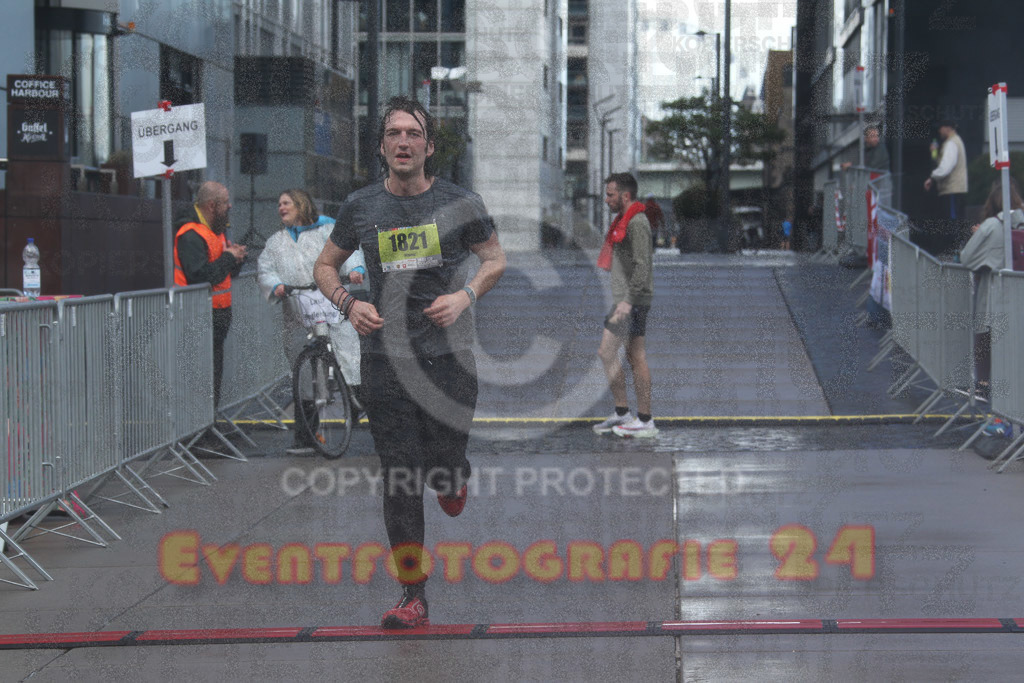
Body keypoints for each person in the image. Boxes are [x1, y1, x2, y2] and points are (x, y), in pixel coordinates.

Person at [313, 96, 506, 629]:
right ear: (381, 147)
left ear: (428, 146)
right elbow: (325, 265)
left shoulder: (460, 202)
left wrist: (465, 295)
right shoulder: (361, 207)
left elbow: (495, 259)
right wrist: (348, 304)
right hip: (386, 362)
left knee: (441, 467)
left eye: (412, 134)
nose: (403, 142)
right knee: (399, 479)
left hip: (448, 361)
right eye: (394, 134)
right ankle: (412, 594)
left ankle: (452, 476)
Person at [257, 188, 367, 455]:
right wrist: (275, 286)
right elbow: (265, 268)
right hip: (298, 311)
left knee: (351, 359)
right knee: (302, 372)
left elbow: (348, 250)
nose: (281, 207)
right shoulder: (276, 241)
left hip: (332, 302)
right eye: (279, 204)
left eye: (286, 203)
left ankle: (364, 407)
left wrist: (355, 269)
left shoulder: (326, 229)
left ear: (300, 204)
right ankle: (307, 437)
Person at [173, 181, 247, 410]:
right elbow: (200, 276)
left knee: (212, 376)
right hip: (198, 315)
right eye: (226, 203)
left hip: (217, 314)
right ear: (212, 206)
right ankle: (199, 431)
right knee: (201, 379)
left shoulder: (216, 231)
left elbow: (224, 273)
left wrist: (236, 259)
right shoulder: (191, 234)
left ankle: (207, 425)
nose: (230, 206)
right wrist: (228, 259)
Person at [593, 172, 657, 438]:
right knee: (630, 355)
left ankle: (644, 420)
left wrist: (628, 302)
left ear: (625, 195)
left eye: (610, 194)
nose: (606, 200)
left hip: (632, 301)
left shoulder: (637, 222)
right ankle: (625, 413)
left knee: (614, 353)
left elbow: (644, 265)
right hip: (628, 301)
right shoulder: (624, 220)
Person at [959, 179, 1024, 404]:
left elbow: (966, 257)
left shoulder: (991, 226)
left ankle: (984, 386)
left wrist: (979, 236)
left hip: (993, 294)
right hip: (1019, 292)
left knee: (985, 338)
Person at [921, 120, 969, 257]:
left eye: (941, 128)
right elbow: (942, 164)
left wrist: (932, 177)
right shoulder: (954, 142)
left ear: (948, 128)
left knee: (952, 221)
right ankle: (953, 251)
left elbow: (945, 168)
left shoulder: (951, 143)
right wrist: (934, 153)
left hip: (952, 189)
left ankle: (954, 252)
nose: (939, 131)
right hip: (952, 189)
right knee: (951, 220)